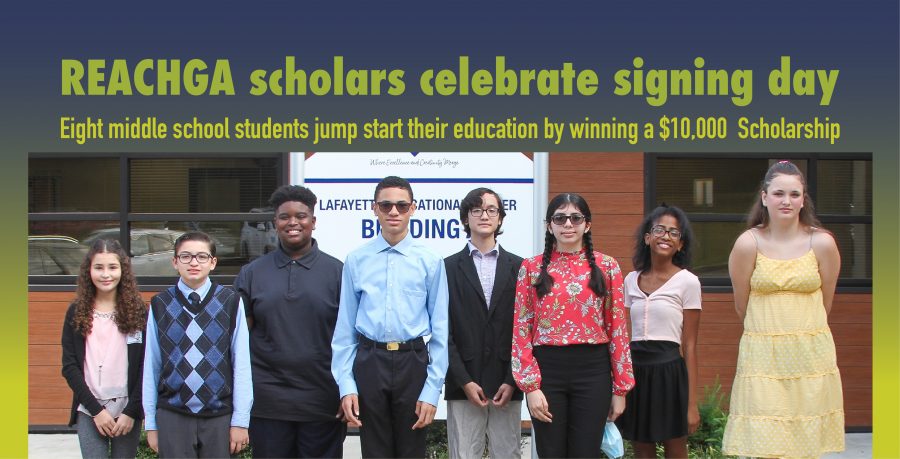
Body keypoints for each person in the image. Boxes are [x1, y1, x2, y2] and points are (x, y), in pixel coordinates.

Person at [722, 160, 845, 457]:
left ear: (803, 199)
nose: (786, 201)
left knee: (806, 445)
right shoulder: (747, 244)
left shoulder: (823, 243)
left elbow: (825, 303)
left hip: (810, 359)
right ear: (764, 198)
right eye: (778, 193)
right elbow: (743, 306)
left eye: (794, 194)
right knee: (765, 442)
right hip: (763, 360)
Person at [331, 176, 449, 458]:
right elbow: (345, 329)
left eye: (401, 205)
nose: (394, 212)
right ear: (374, 208)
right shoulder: (357, 260)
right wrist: (346, 385)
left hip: (412, 362)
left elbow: (442, 331)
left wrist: (431, 390)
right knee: (374, 451)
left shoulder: (430, 260)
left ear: (413, 208)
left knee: (411, 450)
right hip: (370, 361)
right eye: (386, 205)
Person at [512, 192, 634, 458]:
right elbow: (521, 329)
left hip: (593, 372)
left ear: (587, 224)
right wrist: (531, 387)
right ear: (549, 225)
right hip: (548, 371)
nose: (568, 224)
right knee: (550, 452)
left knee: (585, 454)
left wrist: (620, 388)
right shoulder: (531, 268)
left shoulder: (607, 267)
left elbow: (618, 330)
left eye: (575, 218)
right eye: (560, 218)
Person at [233, 185, 346, 458]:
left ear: (313, 222)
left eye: (301, 216)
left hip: (323, 401)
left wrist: (348, 390)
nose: (293, 222)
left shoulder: (339, 272)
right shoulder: (252, 273)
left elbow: (350, 338)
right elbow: (238, 342)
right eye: (285, 216)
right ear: (275, 223)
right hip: (268, 402)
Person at [142, 231, 253, 458]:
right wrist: (151, 424)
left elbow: (241, 364)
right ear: (175, 262)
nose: (194, 262)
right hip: (173, 414)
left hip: (219, 414)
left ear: (213, 263)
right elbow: (151, 366)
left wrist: (241, 420)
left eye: (202, 256)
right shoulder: (160, 304)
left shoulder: (231, 302)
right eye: (186, 256)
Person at [615, 205, 701, 458]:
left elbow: (691, 346)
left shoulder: (688, 282)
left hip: (670, 373)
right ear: (647, 237)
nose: (666, 236)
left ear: (681, 244)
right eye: (660, 230)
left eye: (674, 233)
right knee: (642, 451)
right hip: (636, 373)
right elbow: (621, 336)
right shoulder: (631, 280)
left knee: (675, 449)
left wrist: (691, 404)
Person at [444, 187, 524, 459]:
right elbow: (443, 332)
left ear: (500, 218)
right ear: (465, 218)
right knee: (463, 455)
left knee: (508, 454)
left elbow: (525, 329)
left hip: (506, 384)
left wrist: (512, 379)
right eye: (476, 210)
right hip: (463, 383)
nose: (484, 215)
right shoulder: (446, 268)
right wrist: (464, 380)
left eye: (491, 210)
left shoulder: (520, 267)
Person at [61, 239, 146, 459]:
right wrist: (96, 411)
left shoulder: (138, 311)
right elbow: (70, 367)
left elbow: (147, 366)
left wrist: (132, 411)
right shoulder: (76, 312)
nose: (106, 274)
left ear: (123, 270)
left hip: (127, 411)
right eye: (99, 267)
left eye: (112, 267)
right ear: (88, 271)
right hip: (90, 409)